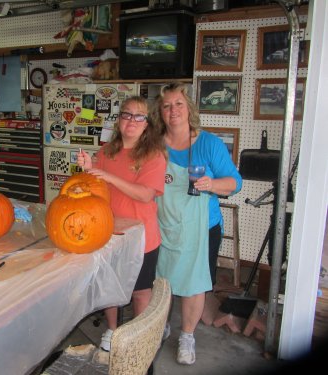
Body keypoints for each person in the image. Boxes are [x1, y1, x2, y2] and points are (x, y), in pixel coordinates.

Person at [150, 82, 242, 365]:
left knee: (194, 284)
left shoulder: (209, 144)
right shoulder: (153, 143)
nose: (173, 110)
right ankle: (160, 327)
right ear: (160, 112)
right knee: (161, 281)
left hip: (201, 229)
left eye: (178, 104)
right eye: (166, 106)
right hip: (162, 225)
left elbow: (234, 183)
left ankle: (187, 336)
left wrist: (212, 184)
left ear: (189, 108)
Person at [77, 95, 167, 352]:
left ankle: (140, 335)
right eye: (127, 114)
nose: (132, 121)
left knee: (140, 291)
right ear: (119, 120)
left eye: (139, 116)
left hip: (142, 236)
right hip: (110, 231)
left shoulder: (154, 155)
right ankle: (112, 330)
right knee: (111, 287)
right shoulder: (107, 151)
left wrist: (107, 175)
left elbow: (145, 194)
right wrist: (88, 168)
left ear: (147, 123)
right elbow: (96, 185)